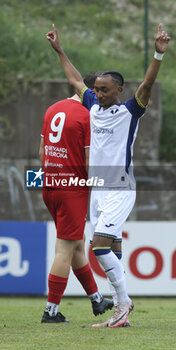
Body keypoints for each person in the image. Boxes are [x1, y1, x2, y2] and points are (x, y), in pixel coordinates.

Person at [46, 23, 170, 327]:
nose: (98, 93)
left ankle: (123, 303)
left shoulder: (131, 111)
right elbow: (75, 79)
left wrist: (158, 54)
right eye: (97, 89)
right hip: (98, 189)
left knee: (98, 246)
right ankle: (122, 314)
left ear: (119, 90)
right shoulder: (91, 105)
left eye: (104, 90)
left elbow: (147, 86)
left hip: (120, 188)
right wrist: (59, 50)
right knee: (112, 247)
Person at [39, 83, 113, 323]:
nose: (99, 99)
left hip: (50, 185)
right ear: (90, 92)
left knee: (76, 244)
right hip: (72, 190)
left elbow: (42, 152)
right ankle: (51, 312)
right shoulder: (86, 116)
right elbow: (90, 159)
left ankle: (96, 298)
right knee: (64, 248)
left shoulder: (52, 109)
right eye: (97, 94)